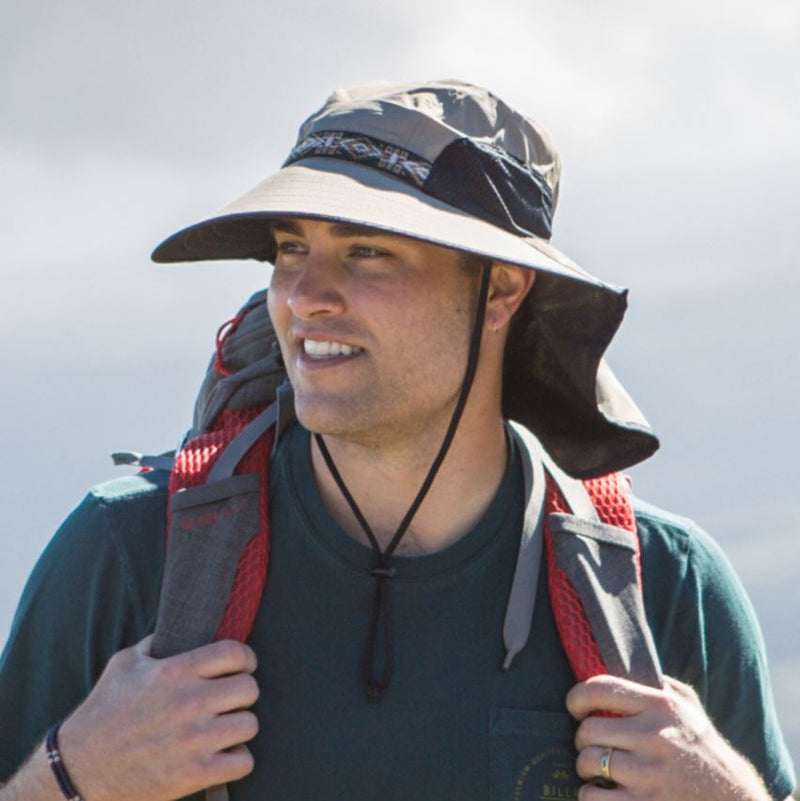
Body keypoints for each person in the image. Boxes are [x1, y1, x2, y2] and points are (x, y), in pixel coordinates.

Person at [0, 80, 795, 801]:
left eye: (367, 251)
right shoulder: (132, 553)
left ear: (501, 289)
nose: (305, 296)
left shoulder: (663, 588)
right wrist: (68, 779)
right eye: (290, 248)